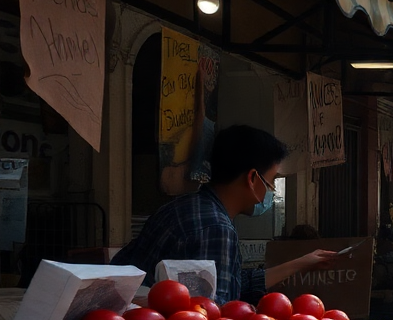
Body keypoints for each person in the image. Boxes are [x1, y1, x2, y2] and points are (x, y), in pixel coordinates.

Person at [113, 125, 337, 304]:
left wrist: (303, 263)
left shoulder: (185, 206)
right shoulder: (215, 228)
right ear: (252, 178)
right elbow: (214, 310)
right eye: (272, 181)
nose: (272, 190)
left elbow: (232, 282)